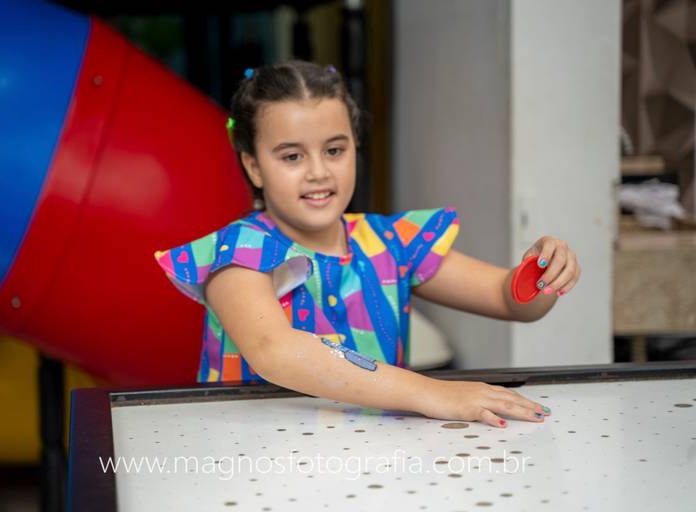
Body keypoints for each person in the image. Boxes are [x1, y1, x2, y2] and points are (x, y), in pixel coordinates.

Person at [154, 61, 581, 428]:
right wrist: (432, 392)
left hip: (378, 463)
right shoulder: (237, 253)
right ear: (254, 166)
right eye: (292, 156)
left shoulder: (392, 244)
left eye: (334, 150)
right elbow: (274, 351)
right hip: (256, 465)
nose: (318, 172)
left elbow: (510, 301)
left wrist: (544, 273)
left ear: (354, 147)